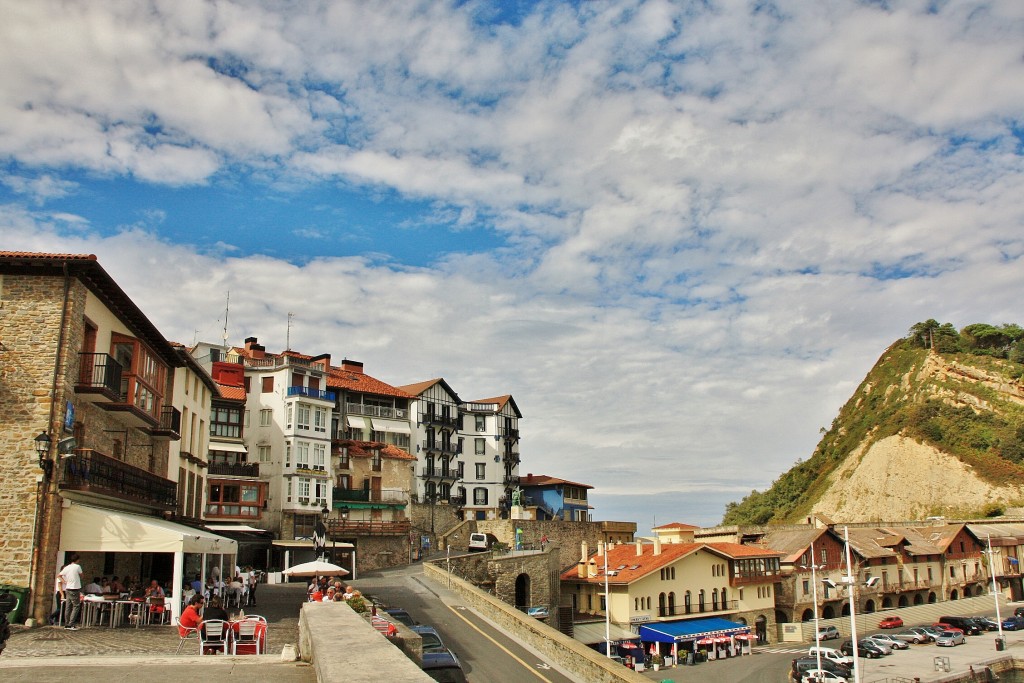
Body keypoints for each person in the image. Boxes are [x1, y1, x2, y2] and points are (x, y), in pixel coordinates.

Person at [59, 553, 83, 630]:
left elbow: (59, 575)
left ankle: (67, 624)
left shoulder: (67, 567)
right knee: (76, 606)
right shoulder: (77, 566)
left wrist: (65, 582)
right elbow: (82, 575)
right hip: (74, 588)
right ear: (77, 560)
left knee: (68, 606)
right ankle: (71, 624)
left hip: (68, 588)